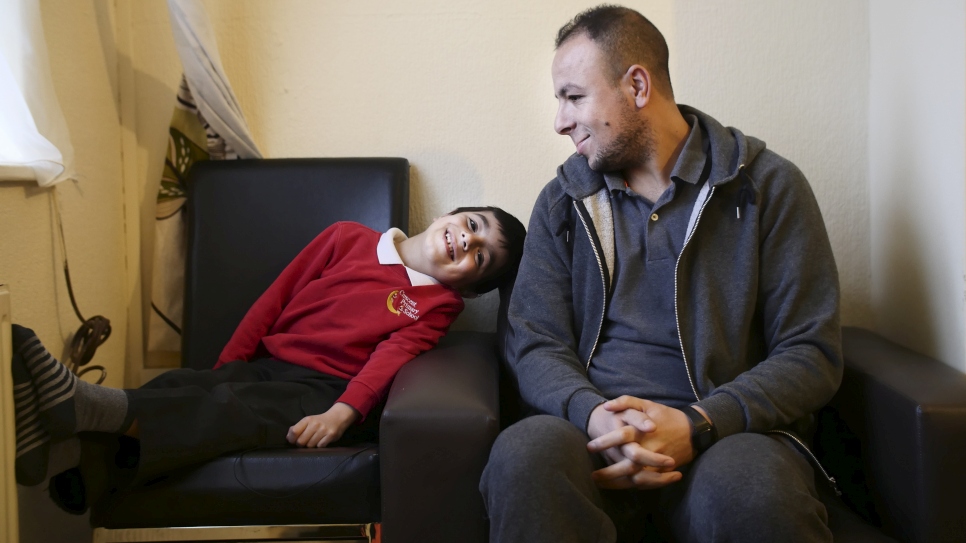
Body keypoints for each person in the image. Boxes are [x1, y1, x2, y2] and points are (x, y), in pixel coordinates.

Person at [480, 5, 842, 543]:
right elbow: (534, 344)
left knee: (752, 490)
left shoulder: (768, 189)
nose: (560, 121)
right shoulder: (563, 202)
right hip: (590, 442)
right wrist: (595, 415)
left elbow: (811, 352)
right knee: (524, 454)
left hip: (725, 438)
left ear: (638, 86)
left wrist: (699, 423)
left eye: (574, 96)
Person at [12, 206, 526, 512]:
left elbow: (393, 356)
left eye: (480, 256)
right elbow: (275, 300)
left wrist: (342, 412)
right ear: (447, 215)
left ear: (470, 285)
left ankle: (78, 412)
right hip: (270, 361)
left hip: (321, 390)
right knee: (183, 388)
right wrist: (224, 368)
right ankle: (65, 456)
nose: (468, 240)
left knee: (234, 410)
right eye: (473, 224)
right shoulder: (346, 237)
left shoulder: (437, 306)